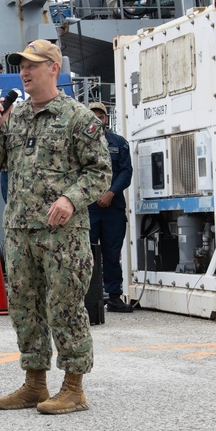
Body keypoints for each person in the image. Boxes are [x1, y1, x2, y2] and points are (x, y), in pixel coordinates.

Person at [0, 39, 110, 415]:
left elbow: (100, 172)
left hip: (62, 235)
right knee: (25, 307)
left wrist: (70, 198)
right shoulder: (16, 115)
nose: (25, 71)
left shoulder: (77, 117)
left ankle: (73, 387)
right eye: (21, 65)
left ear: (53, 68)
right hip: (21, 230)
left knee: (64, 306)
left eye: (33, 65)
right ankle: (35, 383)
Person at [87, 102, 134, 313]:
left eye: (101, 116)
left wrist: (110, 193)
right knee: (86, 253)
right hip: (88, 208)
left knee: (112, 253)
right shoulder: (77, 143)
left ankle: (114, 297)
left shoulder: (119, 143)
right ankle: (85, 299)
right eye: (93, 116)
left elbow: (126, 172)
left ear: (106, 119)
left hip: (113, 207)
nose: (98, 120)